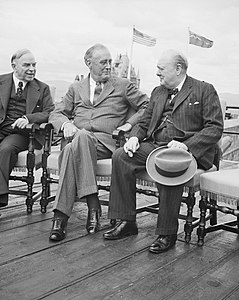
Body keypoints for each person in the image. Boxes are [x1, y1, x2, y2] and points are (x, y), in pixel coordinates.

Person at [104, 49, 224, 254]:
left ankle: (167, 232)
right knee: (121, 156)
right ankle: (127, 221)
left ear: (178, 69)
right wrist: (134, 137)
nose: (157, 73)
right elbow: (144, 122)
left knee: (169, 164)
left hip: (186, 150)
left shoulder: (204, 89)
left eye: (161, 69)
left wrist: (187, 145)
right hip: (155, 144)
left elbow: (215, 128)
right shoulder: (157, 92)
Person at [48, 43, 149, 241]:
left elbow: (147, 105)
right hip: (79, 141)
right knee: (74, 146)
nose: (109, 66)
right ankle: (86, 207)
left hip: (106, 143)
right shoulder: (76, 88)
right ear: (88, 63)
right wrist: (65, 125)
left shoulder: (122, 85)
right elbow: (56, 112)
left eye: (110, 62)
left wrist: (129, 124)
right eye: (103, 62)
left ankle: (62, 217)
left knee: (78, 139)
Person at [0, 49, 55, 228]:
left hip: (21, 133)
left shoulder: (42, 87)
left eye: (34, 65)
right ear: (14, 66)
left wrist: (28, 119)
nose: (32, 69)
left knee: (6, 150)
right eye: (27, 65)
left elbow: (49, 112)